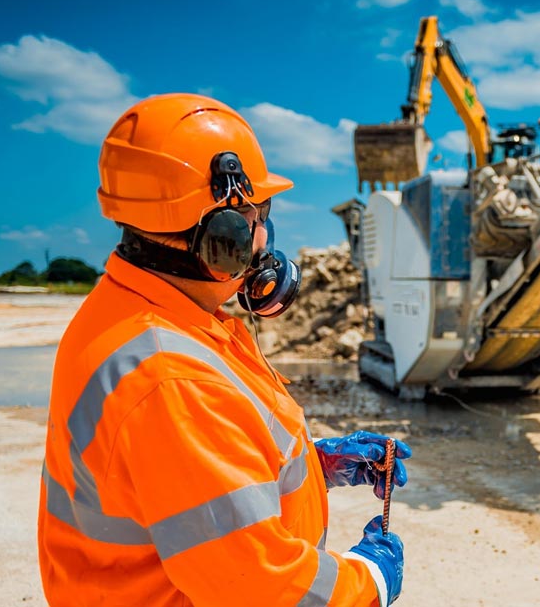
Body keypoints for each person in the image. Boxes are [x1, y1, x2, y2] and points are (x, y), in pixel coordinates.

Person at [38, 93, 410, 607]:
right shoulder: (174, 380)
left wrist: (312, 466)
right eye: (261, 215)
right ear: (226, 235)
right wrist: (370, 578)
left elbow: (179, 486)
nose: (266, 235)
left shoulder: (140, 314)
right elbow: (262, 590)